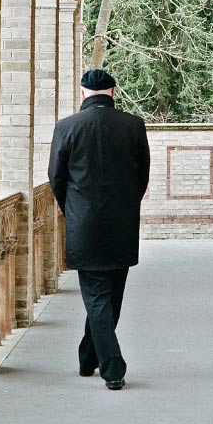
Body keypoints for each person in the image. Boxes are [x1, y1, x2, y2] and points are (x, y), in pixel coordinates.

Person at [48, 69, 150, 390]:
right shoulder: (133, 125)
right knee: (112, 296)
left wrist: (73, 210)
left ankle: (93, 358)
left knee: (96, 298)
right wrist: (127, 204)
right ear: (113, 92)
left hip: (84, 226)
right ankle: (110, 365)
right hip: (122, 223)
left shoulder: (67, 127)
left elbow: (56, 177)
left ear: (82, 93)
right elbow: (142, 174)